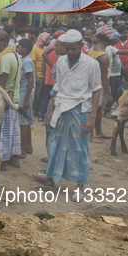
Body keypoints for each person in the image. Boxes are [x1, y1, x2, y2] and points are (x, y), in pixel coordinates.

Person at [32, 29, 101, 203]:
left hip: (80, 109)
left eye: (73, 49)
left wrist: (93, 117)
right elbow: (57, 86)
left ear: (81, 46)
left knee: (79, 148)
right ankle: (51, 177)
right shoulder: (61, 61)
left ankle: (79, 187)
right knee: (54, 144)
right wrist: (50, 109)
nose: (70, 53)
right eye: (67, 49)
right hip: (60, 107)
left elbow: (96, 91)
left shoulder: (92, 64)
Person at [0, 30, 22, 170]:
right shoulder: (15, 55)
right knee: (13, 129)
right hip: (15, 97)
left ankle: (2, 160)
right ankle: (14, 157)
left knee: (3, 130)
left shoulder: (4, 59)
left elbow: (1, 83)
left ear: (4, 42)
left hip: (6, 99)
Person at [87, 27, 114, 142]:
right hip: (99, 85)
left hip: (91, 83)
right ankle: (91, 134)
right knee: (96, 111)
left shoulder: (93, 49)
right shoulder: (103, 56)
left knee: (98, 110)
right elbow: (104, 77)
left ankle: (98, 132)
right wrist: (109, 94)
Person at [17, 38, 35, 158]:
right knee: (27, 120)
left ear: (24, 49)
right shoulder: (24, 59)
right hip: (26, 92)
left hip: (24, 92)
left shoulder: (27, 61)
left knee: (23, 122)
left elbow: (30, 79)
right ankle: (28, 146)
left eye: (18, 47)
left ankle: (22, 150)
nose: (17, 48)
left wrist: (27, 97)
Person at [31, 32, 50, 119]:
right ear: (42, 40)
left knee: (41, 94)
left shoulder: (45, 49)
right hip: (38, 75)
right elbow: (32, 63)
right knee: (37, 94)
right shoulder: (35, 49)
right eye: (47, 39)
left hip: (44, 74)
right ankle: (34, 109)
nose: (49, 41)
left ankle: (37, 110)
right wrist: (36, 76)